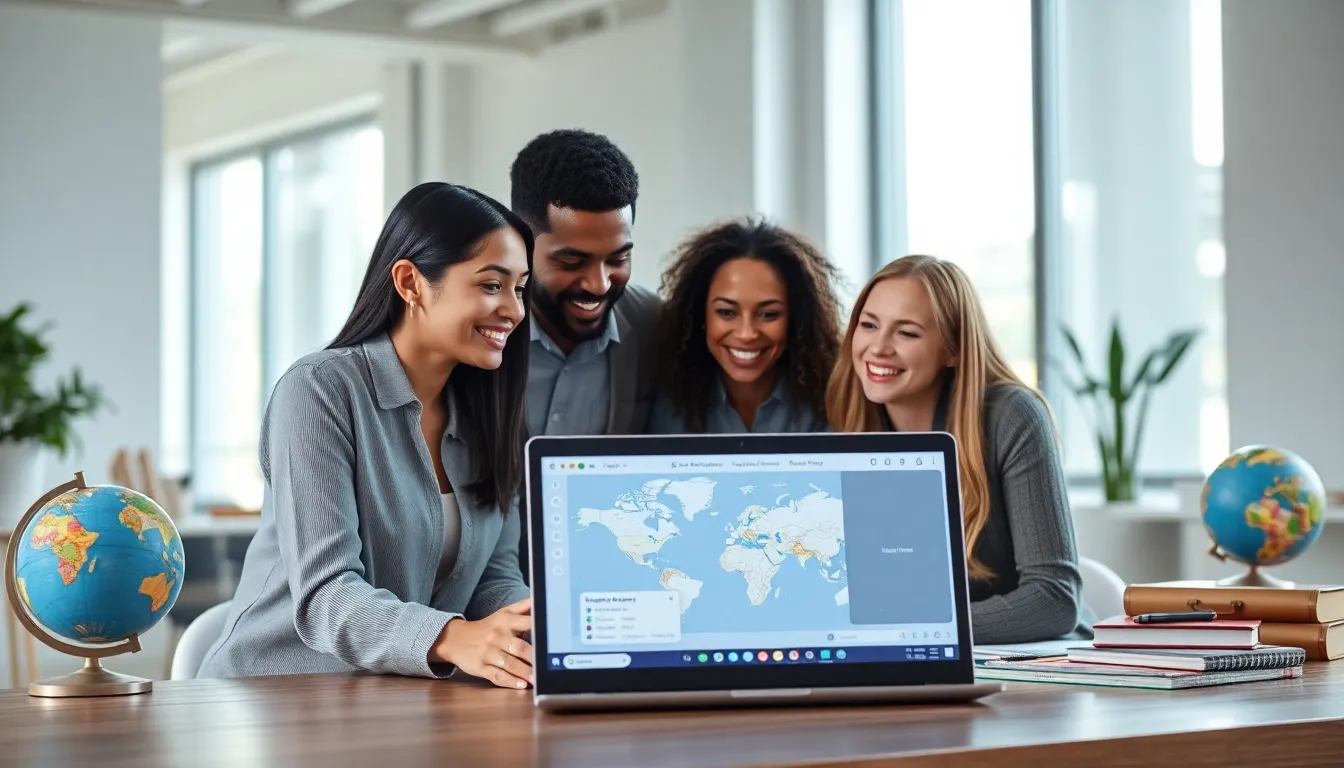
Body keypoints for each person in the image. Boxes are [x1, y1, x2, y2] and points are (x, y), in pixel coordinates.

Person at [198, 183, 536, 689]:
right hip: (269, 700)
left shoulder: (492, 413)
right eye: (491, 285)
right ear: (410, 282)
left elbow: (493, 575)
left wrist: (540, 629)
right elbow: (328, 595)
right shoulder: (318, 391)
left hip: (398, 705)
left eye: (521, 288)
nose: (514, 310)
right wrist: (453, 637)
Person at [825, 255, 1090, 644]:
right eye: (868, 325)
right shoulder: (843, 421)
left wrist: (907, 632)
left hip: (1028, 668)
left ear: (954, 350)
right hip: (910, 664)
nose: (878, 348)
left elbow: (1054, 599)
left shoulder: (1011, 416)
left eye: (907, 333)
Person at [509, 128, 662, 439]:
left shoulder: (655, 324)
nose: (599, 285)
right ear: (520, 241)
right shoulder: (479, 322)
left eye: (618, 259)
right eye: (572, 262)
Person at [649, 218, 842, 434]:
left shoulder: (834, 400)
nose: (746, 334)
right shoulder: (670, 403)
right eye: (727, 312)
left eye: (769, 314)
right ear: (699, 315)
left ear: (796, 319)